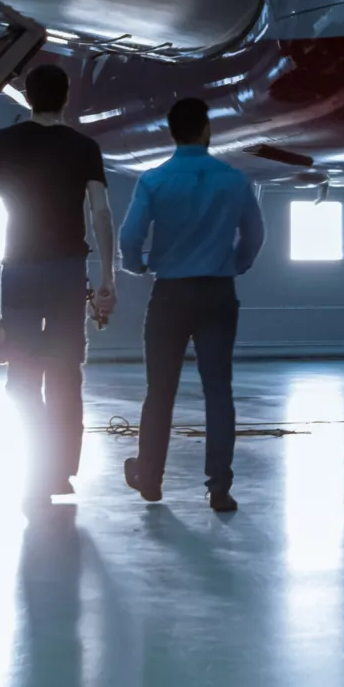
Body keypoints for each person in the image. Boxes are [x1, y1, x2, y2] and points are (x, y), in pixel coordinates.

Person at [0, 63, 116, 502]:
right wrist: (108, 275)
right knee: (66, 373)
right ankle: (60, 472)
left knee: (22, 374)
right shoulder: (83, 147)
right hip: (69, 271)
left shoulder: (3, 142)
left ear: (27, 97)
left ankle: (35, 466)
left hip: (20, 272)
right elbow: (101, 212)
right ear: (66, 97)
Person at [118, 96, 265, 512]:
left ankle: (150, 478)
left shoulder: (154, 180)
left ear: (171, 133)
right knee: (218, 390)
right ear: (206, 130)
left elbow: (130, 237)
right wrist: (235, 263)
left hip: (170, 295)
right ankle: (219, 488)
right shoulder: (235, 180)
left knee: (159, 391)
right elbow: (254, 234)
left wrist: (137, 266)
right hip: (217, 293)